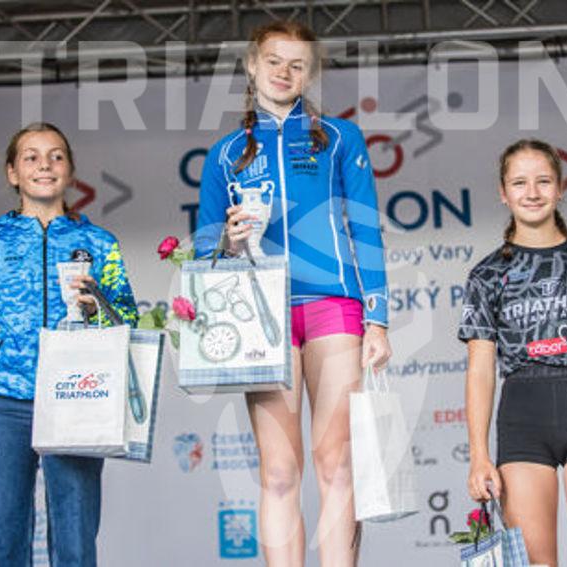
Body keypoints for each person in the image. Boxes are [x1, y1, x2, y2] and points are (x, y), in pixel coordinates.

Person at [195, 21, 391, 567]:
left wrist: (378, 318)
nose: (284, 72)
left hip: (333, 306)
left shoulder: (339, 138)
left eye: (297, 64)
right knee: (279, 473)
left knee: (336, 463)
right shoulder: (224, 154)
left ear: (310, 73)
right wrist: (229, 242)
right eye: (273, 61)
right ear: (251, 66)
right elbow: (205, 251)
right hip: (262, 316)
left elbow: (365, 229)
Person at [0, 122, 138, 566]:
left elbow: (126, 320)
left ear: (70, 171)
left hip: (77, 397)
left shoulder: (99, 244)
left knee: (76, 545)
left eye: (56, 156)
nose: (44, 165)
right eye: (30, 157)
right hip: (4, 404)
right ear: (12, 173)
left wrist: (98, 307)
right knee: (0, 544)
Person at [459, 139, 567, 567]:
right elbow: (480, 369)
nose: (532, 193)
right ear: (503, 193)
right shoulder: (487, 274)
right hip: (523, 416)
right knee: (535, 563)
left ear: (560, 187)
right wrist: (478, 455)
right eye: (519, 183)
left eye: (543, 181)